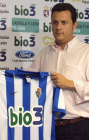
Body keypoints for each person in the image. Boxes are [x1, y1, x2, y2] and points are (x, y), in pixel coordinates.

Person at [27, 3, 89, 140]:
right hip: (47, 127)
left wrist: (70, 84)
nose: (58, 27)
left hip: (79, 127)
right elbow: (28, 80)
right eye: (55, 22)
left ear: (75, 25)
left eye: (64, 22)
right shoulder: (45, 53)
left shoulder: (86, 52)